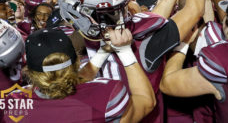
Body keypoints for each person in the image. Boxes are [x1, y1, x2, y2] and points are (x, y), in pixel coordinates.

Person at [55, 0, 205, 122]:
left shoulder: (72, 46)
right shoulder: (137, 43)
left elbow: (154, 17)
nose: (121, 18)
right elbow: (194, 9)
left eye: (120, 8)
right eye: (110, 12)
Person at [2, 28, 155, 123]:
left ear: (28, 69)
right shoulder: (107, 94)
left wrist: (102, 54)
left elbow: (60, 86)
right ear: (77, 61)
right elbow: (146, 102)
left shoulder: (14, 103)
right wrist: (124, 51)